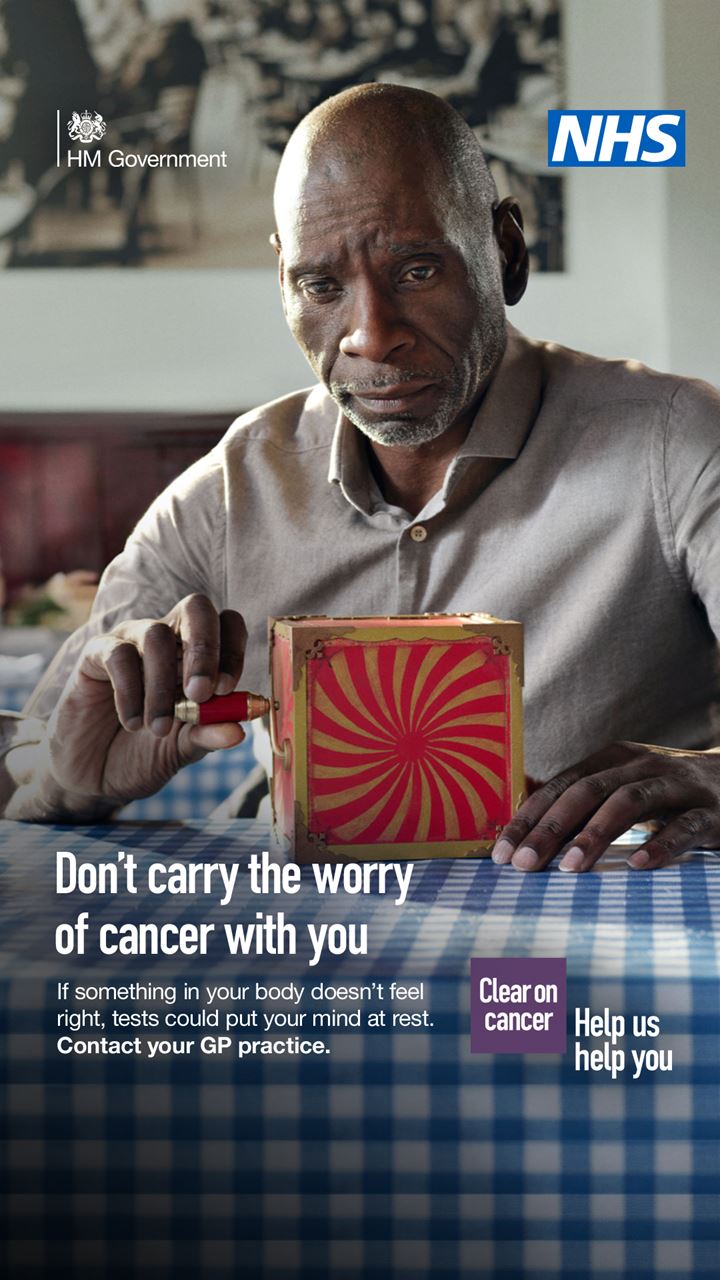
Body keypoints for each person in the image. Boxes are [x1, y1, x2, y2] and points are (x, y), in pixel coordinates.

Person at [2, 83, 720, 874]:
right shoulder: (231, 490)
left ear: (506, 252)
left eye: (416, 270)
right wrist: (67, 783)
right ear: (283, 284)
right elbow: (26, 767)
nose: (370, 336)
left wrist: (709, 775)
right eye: (321, 287)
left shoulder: (676, 444)